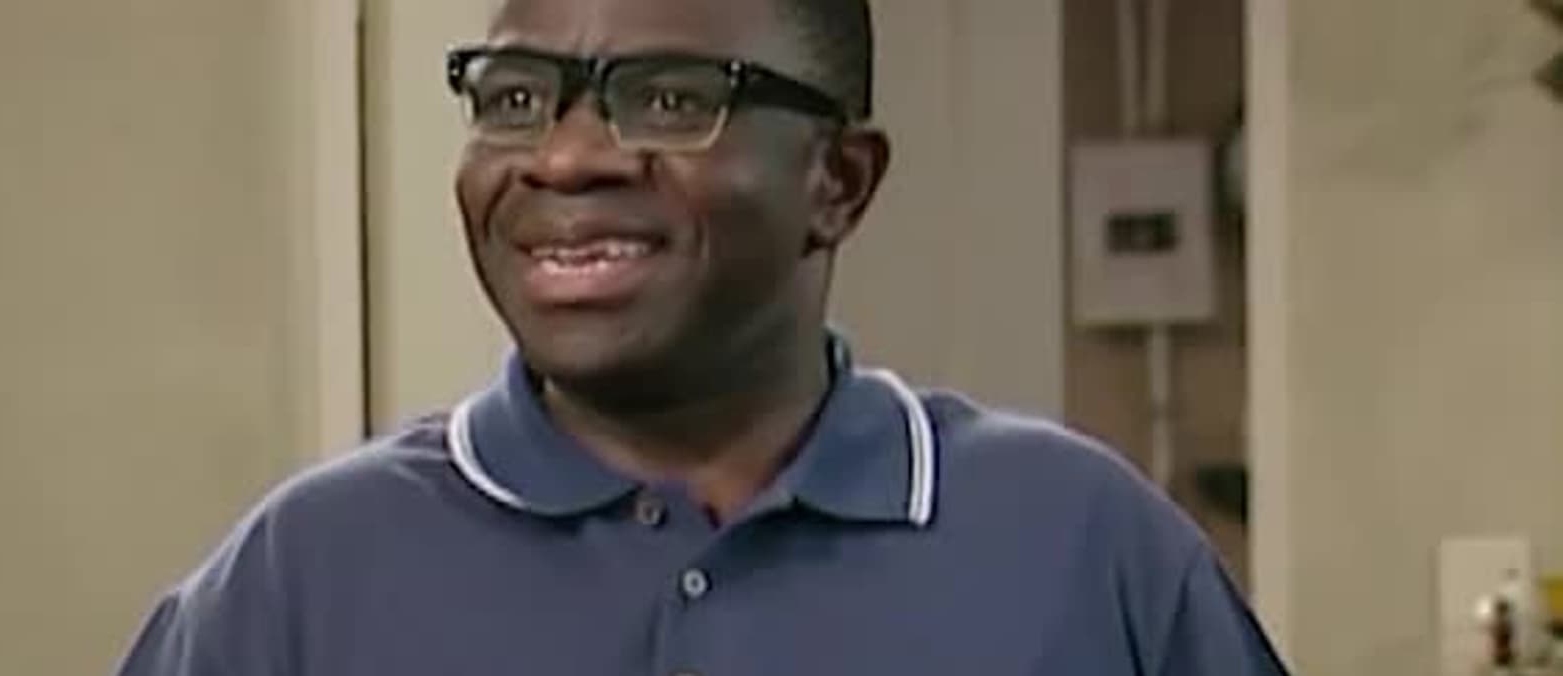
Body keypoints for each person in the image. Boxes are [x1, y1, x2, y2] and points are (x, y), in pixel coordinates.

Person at [117, 0, 1291, 673]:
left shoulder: (1077, 547)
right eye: (513, 98)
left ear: (838, 181)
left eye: (672, 98)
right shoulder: (307, 575)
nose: (565, 156)